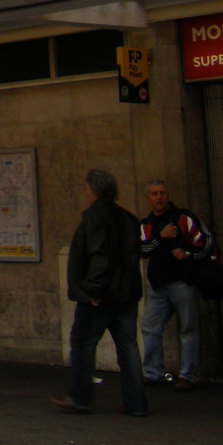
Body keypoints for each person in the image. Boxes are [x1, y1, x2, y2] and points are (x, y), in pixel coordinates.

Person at [52, 169, 147, 417]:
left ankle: (81, 398)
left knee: (83, 342)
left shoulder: (95, 217)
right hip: (127, 292)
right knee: (128, 347)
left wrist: (93, 289)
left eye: (86, 189)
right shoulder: (127, 218)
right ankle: (136, 402)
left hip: (103, 294)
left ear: (93, 190)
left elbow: (99, 255)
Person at [139, 178, 213, 391]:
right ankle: (153, 373)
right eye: (154, 194)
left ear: (168, 196)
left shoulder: (184, 218)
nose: (159, 197)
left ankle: (187, 375)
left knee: (188, 328)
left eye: (162, 193)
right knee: (150, 328)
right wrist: (160, 238)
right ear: (148, 199)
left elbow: (206, 242)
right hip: (159, 284)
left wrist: (188, 254)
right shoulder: (146, 224)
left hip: (183, 281)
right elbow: (142, 250)